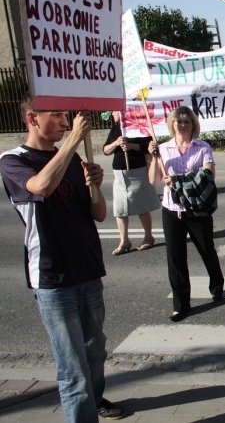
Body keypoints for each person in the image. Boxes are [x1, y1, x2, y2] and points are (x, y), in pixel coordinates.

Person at [0, 97, 124, 421]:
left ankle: (94, 401)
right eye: (56, 115)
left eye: (66, 115)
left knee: (95, 350)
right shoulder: (14, 160)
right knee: (73, 368)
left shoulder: (71, 158)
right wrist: (72, 142)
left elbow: (98, 214)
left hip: (88, 267)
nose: (65, 122)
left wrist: (95, 186)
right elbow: (40, 187)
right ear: (32, 119)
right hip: (53, 277)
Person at [148, 106, 224, 322]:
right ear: (172, 124)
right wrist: (154, 158)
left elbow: (208, 174)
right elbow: (153, 180)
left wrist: (178, 180)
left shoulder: (202, 147)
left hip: (197, 208)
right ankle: (181, 305)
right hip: (172, 210)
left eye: (186, 121)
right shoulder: (163, 149)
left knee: (206, 250)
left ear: (193, 125)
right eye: (178, 121)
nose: (182, 125)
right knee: (175, 258)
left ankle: (217, 284)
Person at [102, 110, 161, 255]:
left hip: (137, 172)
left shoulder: (137, 127)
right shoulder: (116, 129)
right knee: (120, 209)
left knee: (142, 207)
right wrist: (116, 143)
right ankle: (124, 241)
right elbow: (106, 150)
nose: (113, 115)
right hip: (120, 175)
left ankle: (148, 237)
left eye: (115, 112)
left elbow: (149, 146)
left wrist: (131, 146)